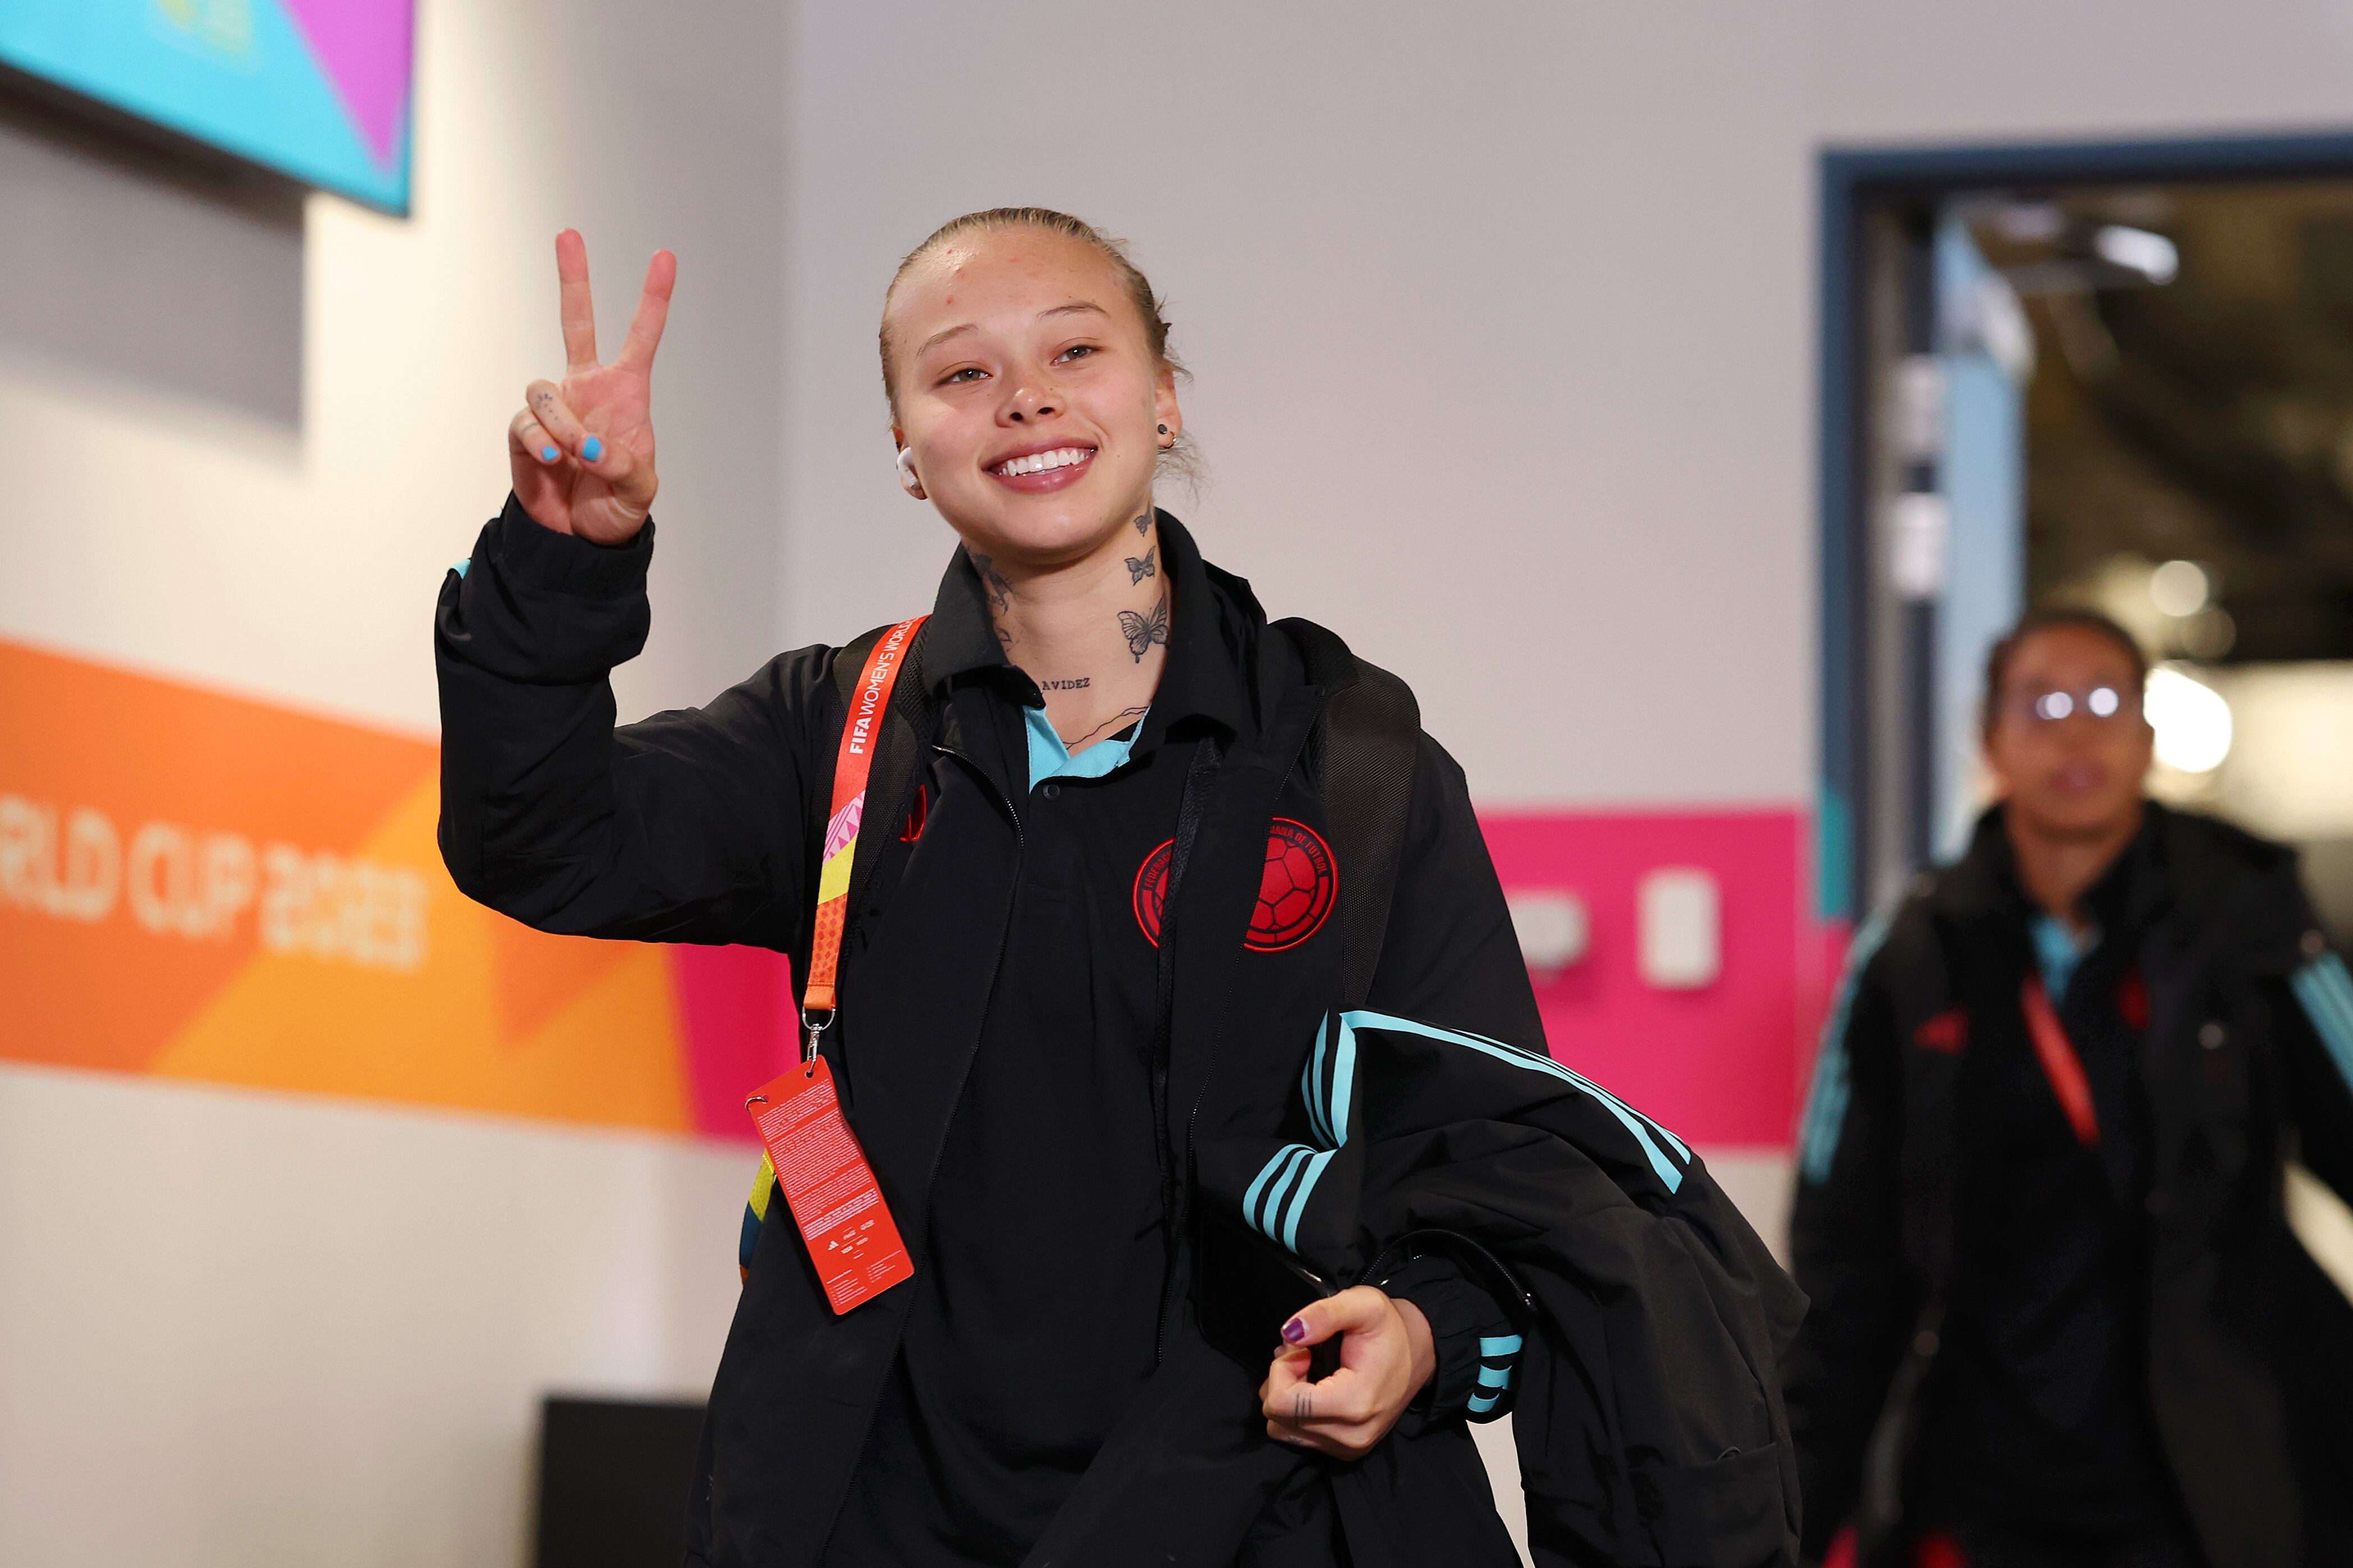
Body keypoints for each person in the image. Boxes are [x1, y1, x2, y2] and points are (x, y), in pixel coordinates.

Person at [437, 209, 1801, 1566]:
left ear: (1160, 399)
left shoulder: (1350, 763)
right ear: (907, 452)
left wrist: (1423, 1332)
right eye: (958, 371)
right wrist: (566, 557)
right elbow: (535, 834)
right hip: (879, 1507)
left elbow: (1486, 1164)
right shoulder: (836, 733)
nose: (1022, 395)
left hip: (1255, 1508)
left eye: (1074, 348)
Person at [1787, 608, 2353, 1568]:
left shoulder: (2246, 913)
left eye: (2105, 700)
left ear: (2147, 736)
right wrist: (1790, 1522)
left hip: (2209, 1473)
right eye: (2043, 703)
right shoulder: (1915, 951)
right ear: (1991, 738)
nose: (2077, 730)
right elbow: (1843, 1265)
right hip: (1983, 1477)